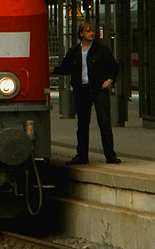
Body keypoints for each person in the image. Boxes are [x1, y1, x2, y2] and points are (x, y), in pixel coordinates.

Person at [52, 20, 121, 165]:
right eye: (88, 31)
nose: (91, 33)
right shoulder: (74, 52)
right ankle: (81, 156)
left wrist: (110, 79)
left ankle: (110, 155)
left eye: (93, 31)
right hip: (82, 90)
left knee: (104, 122)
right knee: (82, 124)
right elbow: (67, 68)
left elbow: (114, 66)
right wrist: (53, 70)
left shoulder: (101, 50)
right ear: (81, 33)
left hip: (98, 89)